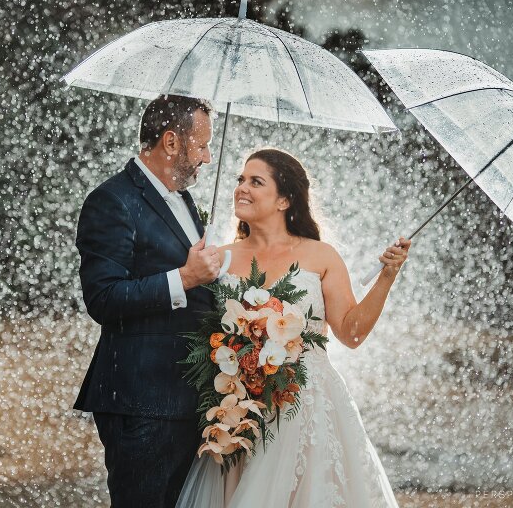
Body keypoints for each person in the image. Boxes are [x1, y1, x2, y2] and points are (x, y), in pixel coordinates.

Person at [176, 148, 411, 507]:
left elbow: (351, 333)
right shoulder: (216, 258)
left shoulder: (321, 255)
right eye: (241, 180)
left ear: (285, 199)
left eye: (256, 182)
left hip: (308, 408)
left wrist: (386, 277)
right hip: (241, 410)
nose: (242, 188)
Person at [74, 94, 223, 508]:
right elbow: (103, 298)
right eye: (202, 145)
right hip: (143, 400)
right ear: (171, 143)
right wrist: (184, 278)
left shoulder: (184, 200)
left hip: (188, 397)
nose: (208, 158)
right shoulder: (113, 201)